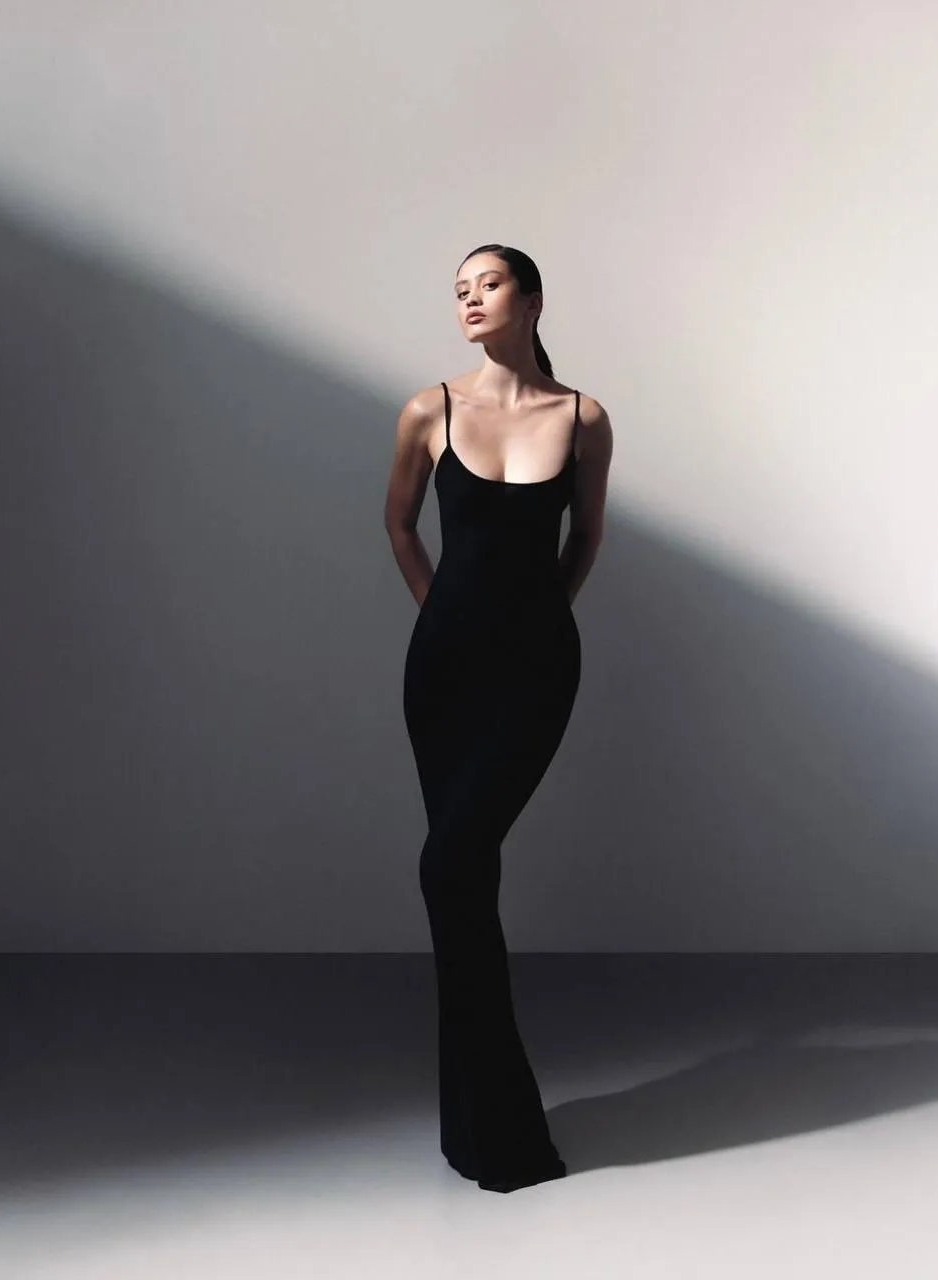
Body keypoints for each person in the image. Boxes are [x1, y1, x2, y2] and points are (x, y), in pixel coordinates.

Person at [384, 244, 613, 1192]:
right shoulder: (429, 408)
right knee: (464, 879)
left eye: (488, 284)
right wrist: (442, 614)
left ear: (533, 300)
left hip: (535, 673)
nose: (470, 300)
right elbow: (398, 522)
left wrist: (539, 624)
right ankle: (476, 1123)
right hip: (444, 671)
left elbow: (586, 536)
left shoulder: (583, 417)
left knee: (452, 863)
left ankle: (499, 1124)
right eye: (459, 290)